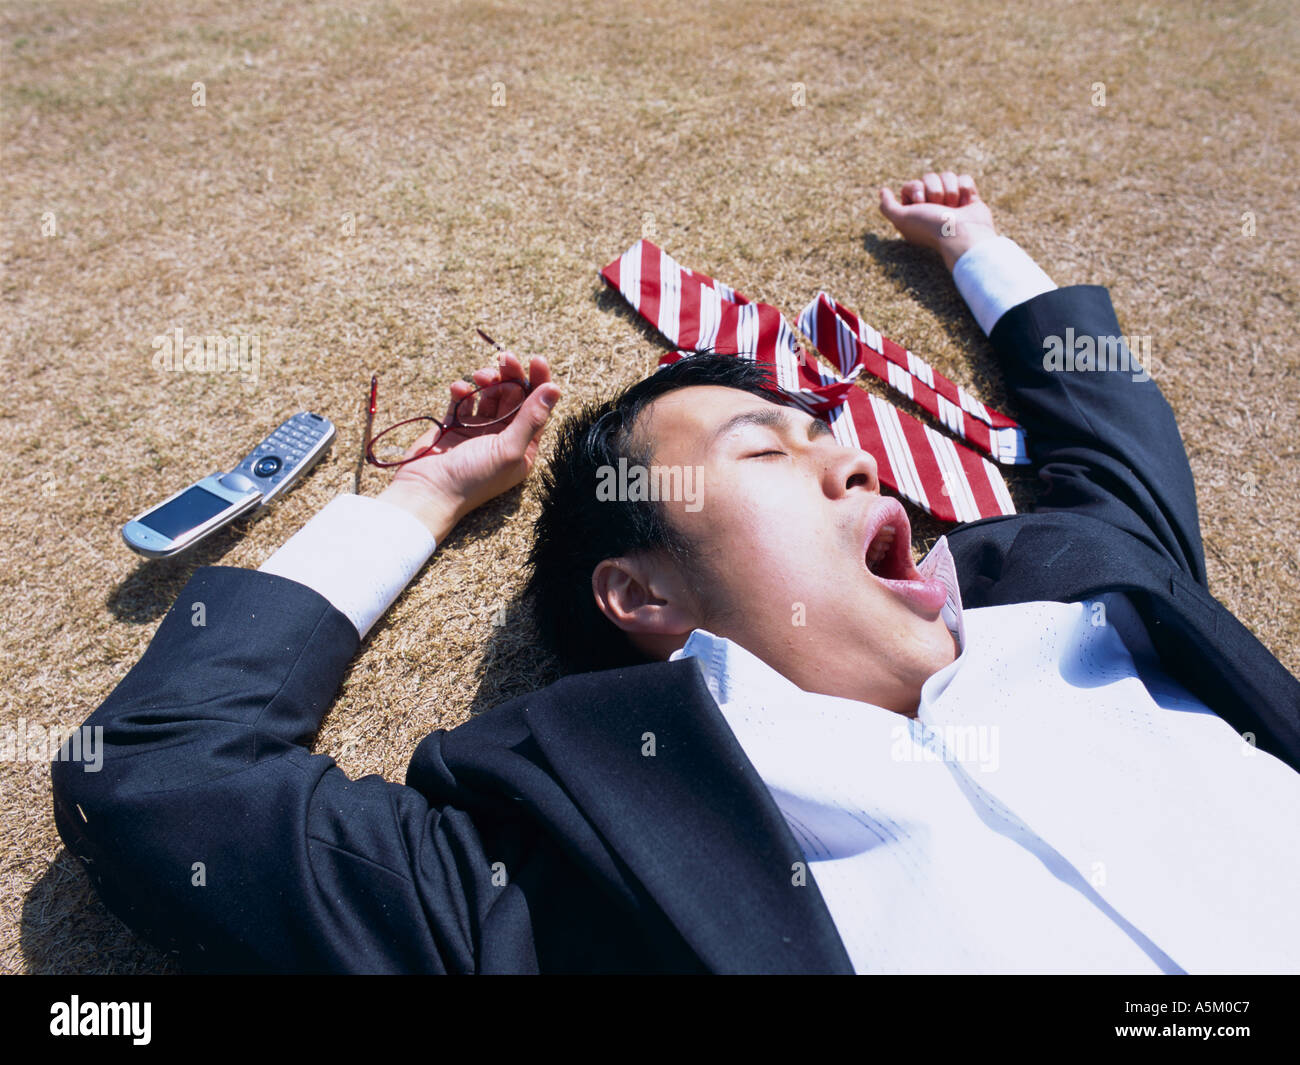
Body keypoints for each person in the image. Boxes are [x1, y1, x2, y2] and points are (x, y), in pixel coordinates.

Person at [52, 173, 1300, 974]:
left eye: (842, 443)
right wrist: (423, 494)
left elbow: (1107, 424)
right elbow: (164, 782)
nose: (863, 467)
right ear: (641, 595)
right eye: (768, 447)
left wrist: (977, 243)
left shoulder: (1087, 593)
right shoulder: (576, 864)